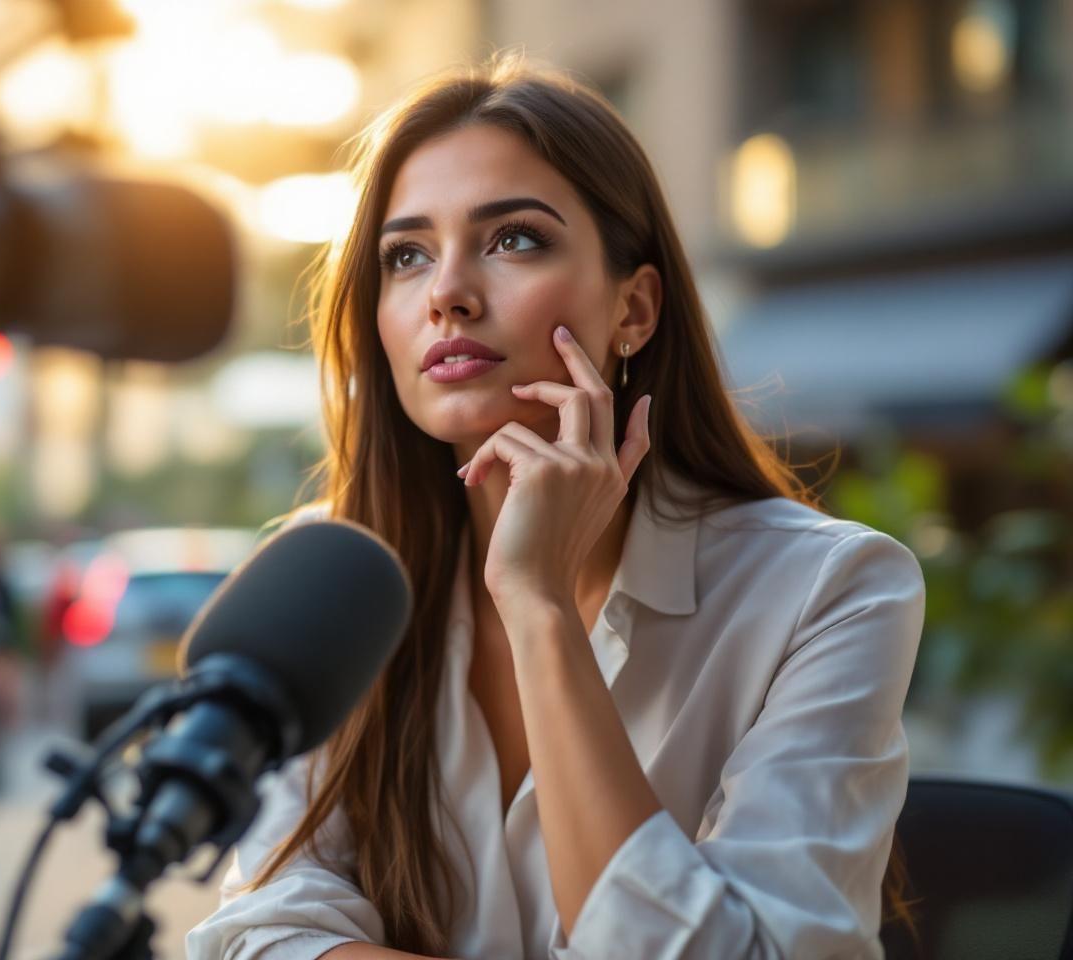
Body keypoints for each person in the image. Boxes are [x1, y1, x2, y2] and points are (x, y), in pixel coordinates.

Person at [186, 55, 924, 960]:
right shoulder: (336, 577)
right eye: (407, 255)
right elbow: (259, 930)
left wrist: (537, 607)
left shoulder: (831, 590)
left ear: (636, 309)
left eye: (514, 240)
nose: (448, 294)